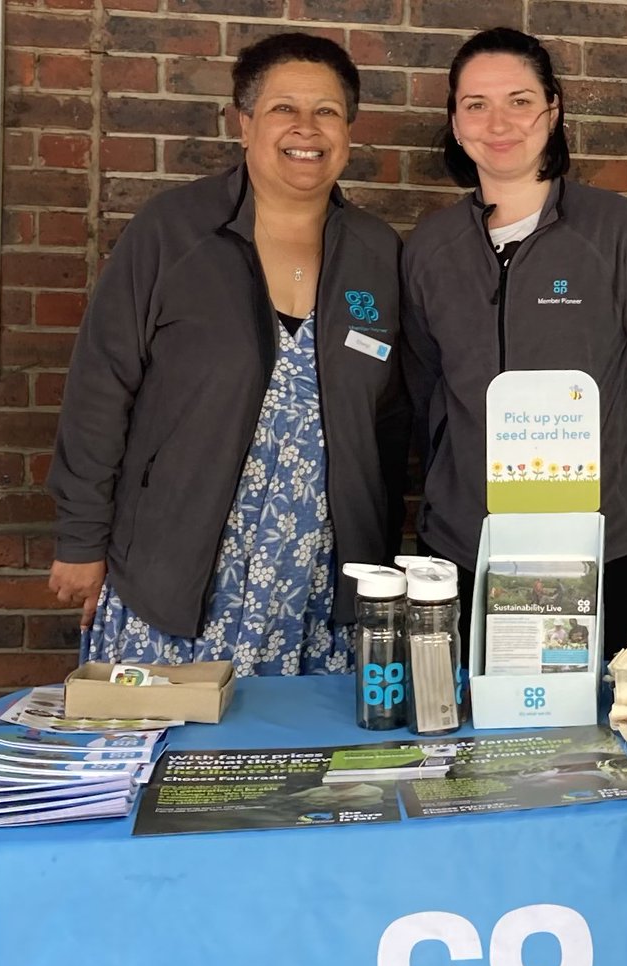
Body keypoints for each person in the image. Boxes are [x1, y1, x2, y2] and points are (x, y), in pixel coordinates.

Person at [47, 32, 408, 676]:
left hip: (318, 587)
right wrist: (81, 540)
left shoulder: (379, 254)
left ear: (348, 130)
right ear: (243, 124)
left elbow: (390, 423)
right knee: (165, 737)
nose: (306, 128)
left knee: (298, 741)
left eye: (326, 111)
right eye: (283, 108)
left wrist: (376, 563)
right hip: (176, 575)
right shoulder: (173, 232)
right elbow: (100, 391)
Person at [402, 27, 627, 659]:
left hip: (588, 551)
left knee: (578, 720)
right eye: (476, 104)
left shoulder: (616, 231)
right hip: (460, 550)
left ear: (553, 109)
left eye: (519, 101)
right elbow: (420, 399)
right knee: (454, 713)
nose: (499, 123)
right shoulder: (429, 249)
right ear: (455, 123)